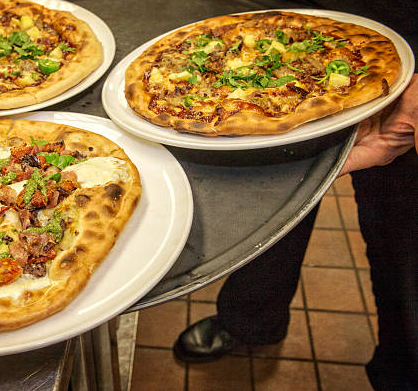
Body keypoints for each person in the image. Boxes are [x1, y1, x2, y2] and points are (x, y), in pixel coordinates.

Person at [173, 74, 417, 391]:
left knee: (406, 260)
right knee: (274, 200)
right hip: (307, 53)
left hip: (408, 75)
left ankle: (399, 375)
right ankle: (252, 322)